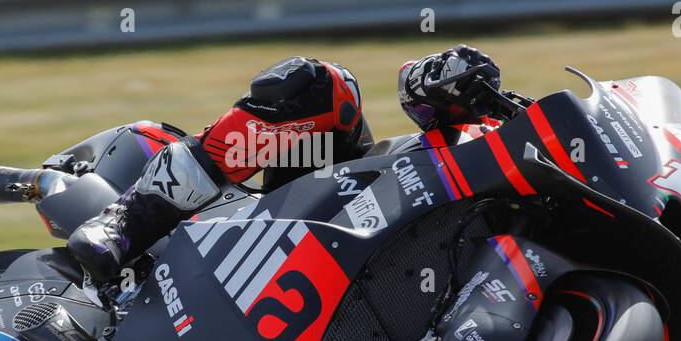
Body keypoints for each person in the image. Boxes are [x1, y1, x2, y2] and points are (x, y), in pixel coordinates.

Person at [67, 45, 511, 284]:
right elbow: (414, 85)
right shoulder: (483, 132)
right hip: (327, 203)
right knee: (324, 84)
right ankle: (128, 221)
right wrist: (453, 80)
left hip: (378, 277)